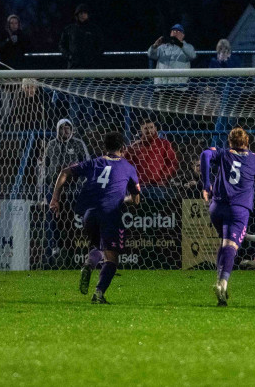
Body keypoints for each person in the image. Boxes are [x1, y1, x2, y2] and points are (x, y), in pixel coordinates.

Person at [51, 131, 140, 304]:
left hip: (89, 213)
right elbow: (136, 199)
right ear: (123, 148)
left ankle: (88, 266)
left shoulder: (94, 162)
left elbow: (64, 172)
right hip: (110, 214)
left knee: (96, 248)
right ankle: (98, 293)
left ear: (104, 148)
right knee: (112, 258)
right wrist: (123, 198)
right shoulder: (128, 167)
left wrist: (55, 198)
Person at [199, 127, 255, 306]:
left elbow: (204, 155)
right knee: (231, 246)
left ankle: (218, 279)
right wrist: (251, 185)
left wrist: (206, 184)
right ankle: (223, 283)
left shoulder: (223, 153)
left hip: (216, 207)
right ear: (247, 142)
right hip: (238, 209)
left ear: (229, 142)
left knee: (224, 244)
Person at [38, 118, 91, 267]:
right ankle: (55, 251)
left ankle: (75, 252)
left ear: (72, 129)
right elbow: (45, 168)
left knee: (74, 223)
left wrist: (83, 185)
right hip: (54, 191)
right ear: (57, 129)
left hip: (74, 191)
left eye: (68, 128)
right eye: (62, 128)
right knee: (54, 221)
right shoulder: (51, 145)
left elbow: (87, 164)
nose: (65, 131)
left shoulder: (78, 144)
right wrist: (43, 189)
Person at [125, 120, 178, 187]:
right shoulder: (135, 146)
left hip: (160, 185)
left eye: (151, 127)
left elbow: (172, 162)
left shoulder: (164, 144)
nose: (149, 130)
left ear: (155, 128)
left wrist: (162, 176)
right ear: (141, 129)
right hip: (140, 185)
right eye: (146, 128)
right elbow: (126, 164)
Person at [59, 3, 104, 69]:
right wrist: (69, 56)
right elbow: (62, 45)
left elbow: (100, 45)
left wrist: (93, 57)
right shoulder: (69, 29)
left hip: (89, 67)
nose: (83, 15)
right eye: (80, 13)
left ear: (88, 15)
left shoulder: (94, 29)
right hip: (73, 66)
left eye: (85, 13)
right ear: (77, 15)